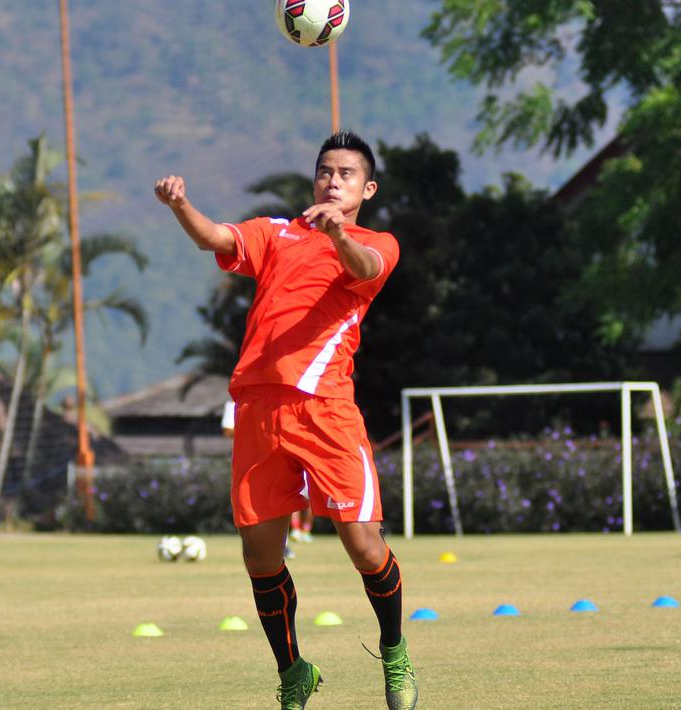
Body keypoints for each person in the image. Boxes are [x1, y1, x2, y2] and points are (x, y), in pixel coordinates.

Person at [155, 131, 416, 710]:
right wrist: (181, 206)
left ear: (366, 189)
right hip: (257, 408)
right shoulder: (276, 232)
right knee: (260, 556)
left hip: (325, 409)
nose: (332, 180)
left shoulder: (376, 240)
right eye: (326, 170)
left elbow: (366, 266)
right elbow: (216, 237)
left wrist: (338, 232)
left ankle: (394, 652)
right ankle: (294, 669)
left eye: (346, 173)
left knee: (364, 546)